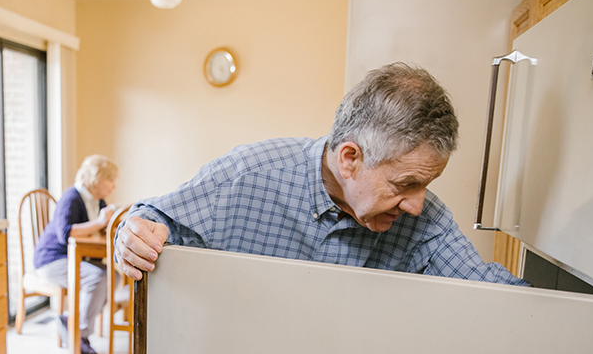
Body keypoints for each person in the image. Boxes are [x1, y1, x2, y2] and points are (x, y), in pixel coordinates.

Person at [115, 63, 526, 286]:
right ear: (349, 158)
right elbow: (154, 220)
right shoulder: (248, 174)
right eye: (405, 185)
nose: (418, 204)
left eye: (425, 185)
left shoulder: (426, 222)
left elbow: (488, 294)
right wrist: (132, 235)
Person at [35, 154, 119, 354]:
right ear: (96, 179)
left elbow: (96, 230)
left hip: (76, 260)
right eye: (111, 180)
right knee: (98, 278)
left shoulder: (99, 202)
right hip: (52, 260)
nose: (113, 186)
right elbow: (65, 233)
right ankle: (80, 334)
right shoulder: (71, 197)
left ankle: (72, 322)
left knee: (113, 277)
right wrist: (99, 223)